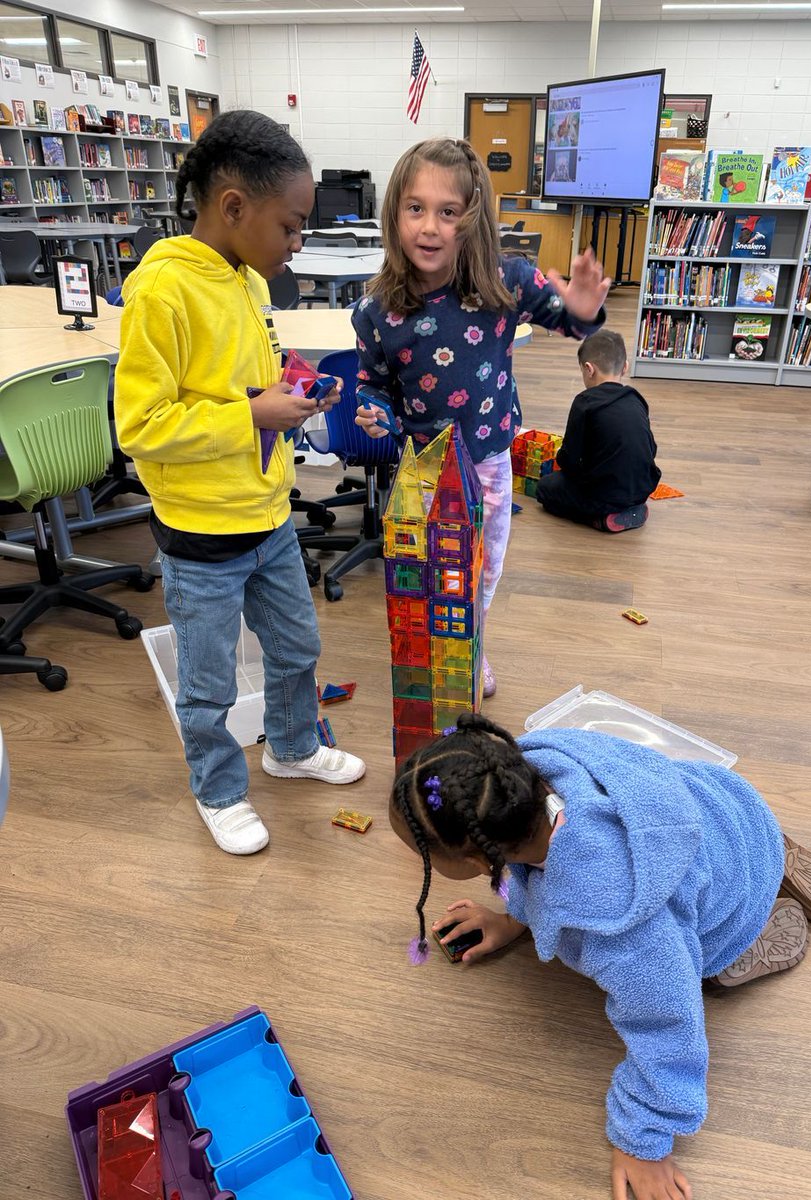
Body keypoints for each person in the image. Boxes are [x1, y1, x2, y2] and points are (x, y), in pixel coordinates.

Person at [389, 713, 811, 1200]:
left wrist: (645, 1140)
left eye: (423, 855)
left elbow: (669, 1025)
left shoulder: (623, 928)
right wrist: (513, 919)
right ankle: (774, 848)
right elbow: (533, 866)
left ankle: (762, 925)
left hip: (727, 900)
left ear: (476, 862)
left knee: (705, 976)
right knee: (716, 873)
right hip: (724, 808)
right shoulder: (532, 766)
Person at [114, 109, 365, 856]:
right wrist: (253, 411)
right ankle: (218, 788)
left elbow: (240, 384)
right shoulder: (162, 291)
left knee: (297, 645)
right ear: (233, 207)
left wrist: (290, 392)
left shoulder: (245, 281)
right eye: (290, 226)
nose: (297, 243)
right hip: (200, 538)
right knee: (209, 681)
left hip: (268, 517)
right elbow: (144, 425)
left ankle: (290, 748)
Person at [352, 137, 610, 697]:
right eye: (416, 208)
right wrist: (372, 409)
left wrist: (583, 310)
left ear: (471, 221)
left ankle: (472, 644)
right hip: (423, 466)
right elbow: (373, 382)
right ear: (394, 211)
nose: (429, 227)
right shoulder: (376, 309)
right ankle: (434, 650)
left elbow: (569, 321)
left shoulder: (504, 280)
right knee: (428, 573)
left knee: (482, 570)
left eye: (449, 213)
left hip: (489, 460)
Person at [536, 329, 660, 533]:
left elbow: (570, 460)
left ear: (589, 369)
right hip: (642, 488)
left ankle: (600, 518)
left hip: (603, 494)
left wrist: (561, 465)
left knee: (545, 488)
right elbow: (651, 449)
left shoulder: (584, 403)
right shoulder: (635, 398)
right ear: (625, 367)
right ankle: (631, 509)